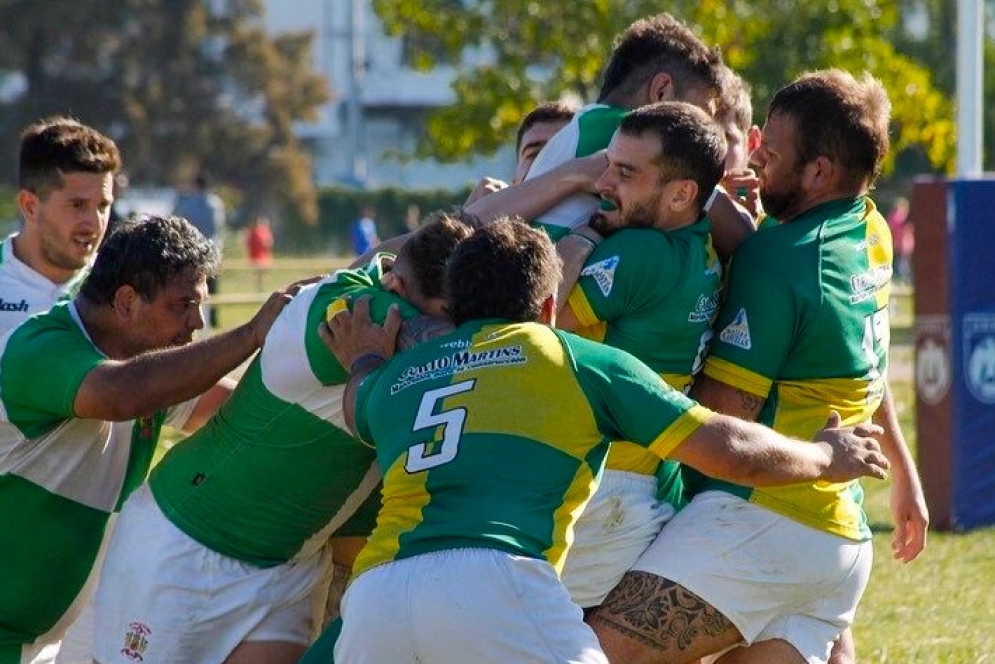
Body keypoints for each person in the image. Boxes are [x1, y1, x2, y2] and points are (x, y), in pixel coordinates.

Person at [318, 219, 889, 664]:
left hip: (375, 599)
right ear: (548, 307)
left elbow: (359, 399)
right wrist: (825, 456)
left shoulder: (400, 375)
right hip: (494, 580)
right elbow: (728, 448)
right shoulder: (575, 359)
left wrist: (365, 356)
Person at [589, 70, 927, 664]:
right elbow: (866, 373)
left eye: (770, 150)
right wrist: (906, 474)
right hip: (839, 541)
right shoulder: (868, 229)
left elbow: (723, 416)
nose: (754, 158)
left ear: (819, 172)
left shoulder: (777, 258)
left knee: (574, 652)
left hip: (758, 525)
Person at [91, 213, 473, 664]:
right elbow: (464, 346)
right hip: (186, 547)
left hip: (289, 567)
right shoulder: (342, 309)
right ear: (395, 289)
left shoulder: (396, 297)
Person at [0, 215, 295, 664]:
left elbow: (237, 414)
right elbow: (119, 395)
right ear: (126, 302)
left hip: (38, 643)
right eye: (183, 305)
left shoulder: (144, 370)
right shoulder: (39, 348)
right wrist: (252, 333)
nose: (197, 322)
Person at [550, 101, 726, 609]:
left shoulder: (641, 253)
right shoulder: (704, 248)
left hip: (599, 490)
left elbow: (533, 321)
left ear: (681, 194)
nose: (603, 184)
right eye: (609, 164)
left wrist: (582, 236)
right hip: (637, 482)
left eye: (625, 173)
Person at [1, 116, 120, 337]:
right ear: (30, 207)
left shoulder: (121, 289)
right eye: (78, 205)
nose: (94, 223)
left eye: (103, 206)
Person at [463, 101, 577, 206]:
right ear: (515, 182)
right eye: (534, 154)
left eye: (562, 149)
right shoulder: (486, 219)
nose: (548, 161)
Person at [173, 172, 226, 327]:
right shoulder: (215, 203)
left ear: (195, 185)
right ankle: (213, 320)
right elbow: (218, 228)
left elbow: (179, 224)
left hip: (191, 255)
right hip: (213, 252)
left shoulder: (187, 202)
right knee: (212, 291)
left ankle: (191, 319)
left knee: (192, 291)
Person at [246, 215, 274, 292]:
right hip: (257, 258)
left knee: (263, 276)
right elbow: (266, 243)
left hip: (263, 258)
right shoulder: (255, 232)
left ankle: (261, 290)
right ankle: (260, 290)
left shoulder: (264, 232)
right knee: (259, 276)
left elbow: (269, 243)